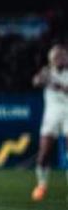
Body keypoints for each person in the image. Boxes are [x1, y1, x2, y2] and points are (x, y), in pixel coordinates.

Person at [30, 44, 68, 201]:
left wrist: (56, 84)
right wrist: (41, 78)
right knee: (44, 153)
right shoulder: (47, 72)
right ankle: (41, 185)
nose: (60, 58)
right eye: (56, 56)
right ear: (51, 59)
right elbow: (35, 82)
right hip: (51, 114)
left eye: (63, 56)